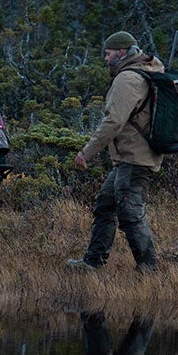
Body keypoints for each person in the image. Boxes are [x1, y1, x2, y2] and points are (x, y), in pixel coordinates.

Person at [68, 31, 164, 272]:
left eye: (108, 53)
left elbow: (113, 121)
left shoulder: (127, 79)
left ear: (121, 52)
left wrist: (86, 152)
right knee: (105, 204)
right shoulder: (148, 70)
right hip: (131, 157)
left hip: (134, 157)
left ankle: (149, 269)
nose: (105, 58)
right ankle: (92, 262)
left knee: (130, 213)